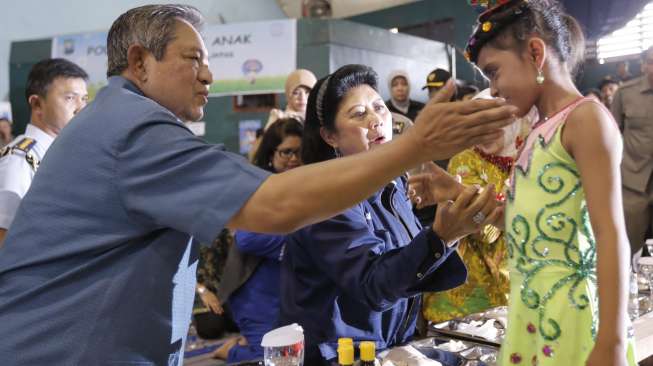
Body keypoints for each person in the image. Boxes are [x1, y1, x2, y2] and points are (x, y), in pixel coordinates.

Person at [0, 5, 517, 365]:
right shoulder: (132, 129)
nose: (207, 75)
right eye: (192, 59)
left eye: (381, 108)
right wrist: (416, 145)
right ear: (139, 63)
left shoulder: (122, 124)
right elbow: (273, 206)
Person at [279, 64, 504, 364]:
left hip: (389, 345)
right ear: (330, 136)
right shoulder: (323, 197)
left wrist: (451, 203)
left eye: (379, 108)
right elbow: (373, 284)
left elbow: (398, 248)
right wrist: (442, 235)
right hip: (338, 355)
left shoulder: (393, 183)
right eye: (359, 114)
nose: (375, 120)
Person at [463, 0, 636, 364]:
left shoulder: (585, 120)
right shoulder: (538, 130)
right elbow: (527, 227)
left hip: (572, 314)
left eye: (493, 73)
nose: (493, 89)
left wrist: (612, 341)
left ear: (535, 52)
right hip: (532, 315)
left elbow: (611, 233)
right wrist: (454, 192)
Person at [423, 90, 536, 323]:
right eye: (478, 125)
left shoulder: (526, 159)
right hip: (468, 294)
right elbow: (484, 229)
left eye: (495, 123)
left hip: (513, 284)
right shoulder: (464, 161)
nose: (486, 133)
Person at [215, 118, 304, 362]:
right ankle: (232, 351)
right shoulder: (258, 186)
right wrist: (303, 241)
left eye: (300, 152)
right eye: (287, 152)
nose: (294, 159)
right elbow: (247, 238)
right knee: (268, 358)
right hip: (256, 293)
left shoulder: (306, 185)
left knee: (297, 353)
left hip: (290, 290)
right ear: (271, 153)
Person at [0, 58, 88, 247]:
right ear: (37, 104)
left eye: (84, 99)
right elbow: (4, 238)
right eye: (70, 98)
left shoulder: (64, 152)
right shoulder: (20, 159)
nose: (81, 108)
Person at [611, 46, 653, 255]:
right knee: (630, 245)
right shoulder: (625, 93)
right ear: (644, 65)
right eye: (652, 62)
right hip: (634, 182)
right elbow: (611, 135)